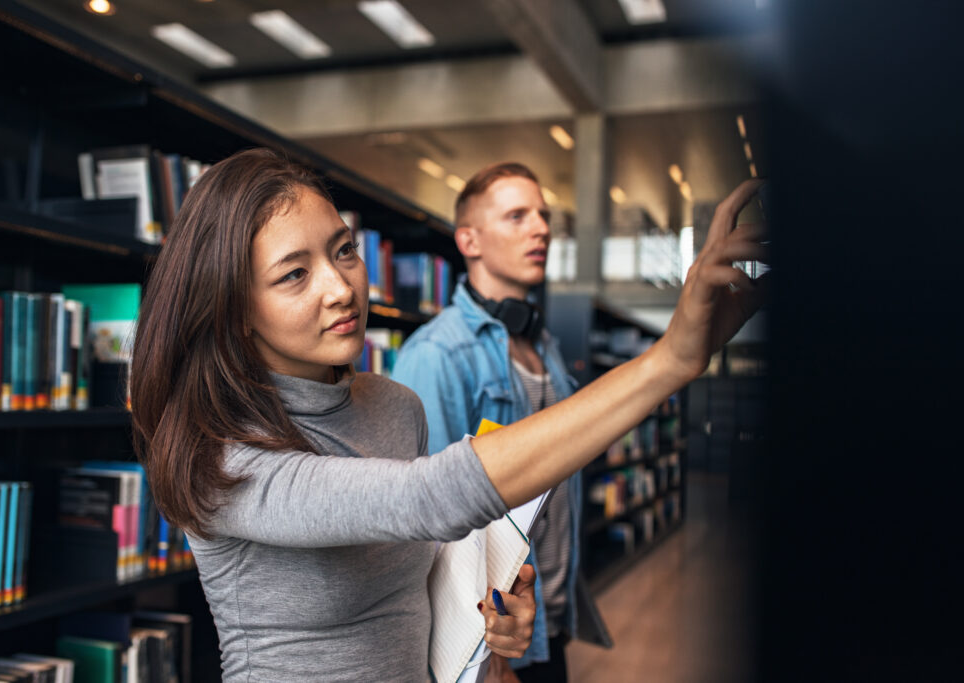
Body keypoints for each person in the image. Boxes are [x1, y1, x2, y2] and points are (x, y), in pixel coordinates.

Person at [130, 148, 767, 682]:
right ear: (236, 309)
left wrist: (490, 619)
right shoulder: (222, 457)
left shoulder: (393, 406)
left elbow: (429, 571)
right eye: (294, 275)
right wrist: (672, 360)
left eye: (344, 251)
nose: (340, 286)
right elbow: (429, 498)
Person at [392, 162, 600, 681]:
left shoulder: (544, 346)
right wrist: (494, 660)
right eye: (517, 216)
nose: (541, 229)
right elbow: (441, 531)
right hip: (495, 650)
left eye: (543, 216)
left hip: (548, 621)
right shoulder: (438, 354)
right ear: (469, 240)